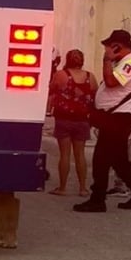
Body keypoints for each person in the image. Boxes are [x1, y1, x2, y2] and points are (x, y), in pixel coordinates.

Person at [74, 29, 131, 212]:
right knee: (119, 162)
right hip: (114, 118)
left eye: (109, 46)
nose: (106, 50)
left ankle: (97, 200)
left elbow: (110, 82)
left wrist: (107, 60)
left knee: (101, 159)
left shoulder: (130, 64)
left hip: (118, 119)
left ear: (118, 46)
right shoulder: (125, 62)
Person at [48, 49, 98, 197]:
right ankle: (83, 188)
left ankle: (62, 187)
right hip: (82, 119)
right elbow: (95, 93)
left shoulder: (61, 75)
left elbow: (52, 89)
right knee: (80, 154)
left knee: (64, 155)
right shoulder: (90, 76)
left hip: (63, 118)